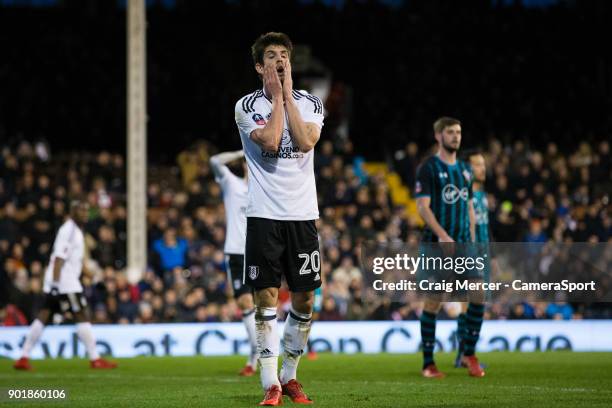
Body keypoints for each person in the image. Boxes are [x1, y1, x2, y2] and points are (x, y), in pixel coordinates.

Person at [234, 32, 324, 406]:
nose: (279, 60)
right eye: (271, 56)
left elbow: (305, 142)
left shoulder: (311, 103)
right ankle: (270, 383)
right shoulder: (244, 106)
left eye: (284, 54)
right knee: (266, 298)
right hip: (264, 214)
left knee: (304, 302)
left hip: (302, 214)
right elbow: (271, 141)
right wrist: (275, 99)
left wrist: (286, 96)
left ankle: (290, 376)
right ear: (259, 66)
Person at [414, 117, 484, 378]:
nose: (456, 136)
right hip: (436, 245)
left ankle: (469, 353)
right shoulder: (428, 168)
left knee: (478, 294)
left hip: (465, 245)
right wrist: (443, 235)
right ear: (438, 136)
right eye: (450, 132)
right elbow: (423, 207)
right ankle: (428, 364)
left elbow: (467, 206)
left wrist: (474, 241)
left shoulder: (465, 170)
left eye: (458, 132)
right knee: (433, 302)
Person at [13, 201, 117, 370]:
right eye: (81, 210)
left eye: (86, 210)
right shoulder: (68, 230)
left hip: (63, 280)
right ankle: (95, 358)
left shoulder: (77, 231)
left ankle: (23, 357)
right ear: (73, 211)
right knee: (81, 314)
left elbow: (76, 261)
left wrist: (95, 278)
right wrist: (55, 285)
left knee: (44, 316)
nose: (84, 213)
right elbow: (59, 259)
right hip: (65, 282)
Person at [209, 149, 258, 376]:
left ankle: (259, 355)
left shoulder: (265, 191)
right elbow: (214, 161)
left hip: (260, 253)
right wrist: (241, 151)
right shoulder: (232, 184)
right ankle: (255, 352)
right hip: (236, 253)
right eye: (247, 163)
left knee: (265, 303)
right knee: (245, 302)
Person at [455, 149, 492, 371]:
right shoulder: (464, 194)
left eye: (483, 164)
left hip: (483, 253)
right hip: (469, 254)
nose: (483, 168)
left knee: (471, 305)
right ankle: (466, 355)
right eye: (478, 164)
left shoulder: (481, 195)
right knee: (468, 303)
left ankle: (465, 354)